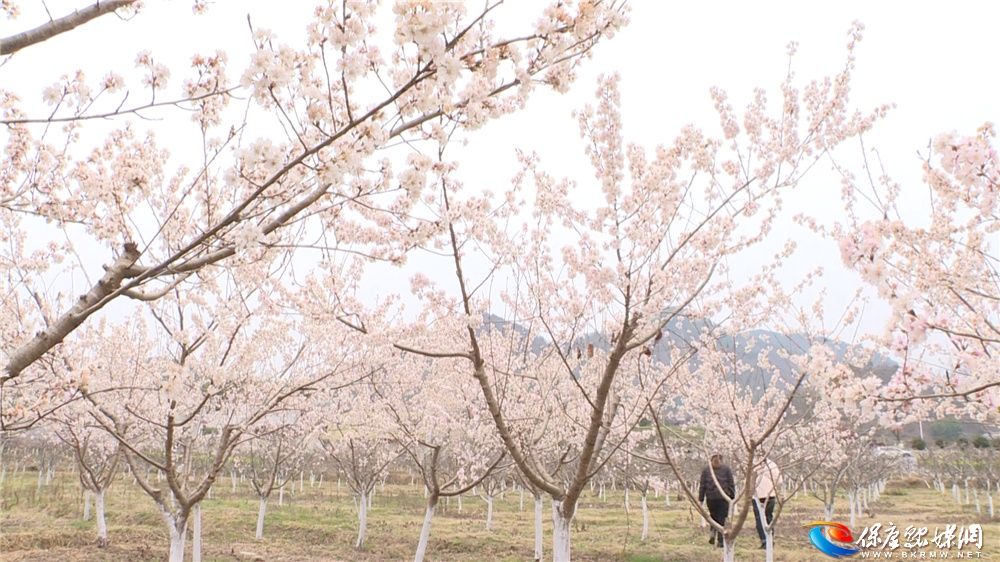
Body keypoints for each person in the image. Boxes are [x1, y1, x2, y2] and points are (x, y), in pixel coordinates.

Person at [698, 454, 735, 548]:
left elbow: (702, 485)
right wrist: (732, 496)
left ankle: (712, 533)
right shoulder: (726, 469)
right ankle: (721, 541)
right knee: (722, 519)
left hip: (711, 498)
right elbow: (731, 483)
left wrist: (701, 498)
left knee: (713, 517)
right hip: (723, 497)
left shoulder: (706, 470)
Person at [753, 458, 781, 549]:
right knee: (769, 517)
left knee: (760, 519)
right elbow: (779, 480)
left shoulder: (754, 464)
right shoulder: (772, 465)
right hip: (770, 495)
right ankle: (770, 539)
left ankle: (764, 541)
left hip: (758, 496)